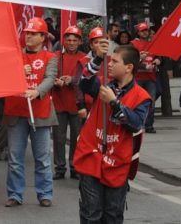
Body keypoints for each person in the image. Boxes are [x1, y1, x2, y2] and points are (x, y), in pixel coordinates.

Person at [74, 43, 152, 224]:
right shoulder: (102, 85)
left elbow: (135, 124)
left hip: (118, 161)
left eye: (115, 61)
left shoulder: (142, 96)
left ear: (129, 67)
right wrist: (98, 58)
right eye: (109, 60)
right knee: (91, 214)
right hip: (91, 155)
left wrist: (114, 103)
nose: (109, 64)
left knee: (113, 215)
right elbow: (84, 81)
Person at [4, 17, 58, 207]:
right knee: (15, 158)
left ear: (43, 37)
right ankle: (15, 194)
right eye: (27, 33)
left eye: (34, 34)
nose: (29, 36)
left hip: (40, 112)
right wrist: (17, 71)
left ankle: (45, 194)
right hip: (16, 111)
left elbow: (50, 78)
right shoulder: (14, 56)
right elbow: (3, 77)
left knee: (42, 158)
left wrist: (37, 91)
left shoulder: (50, 57)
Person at [52, 25, 87, 180]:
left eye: (74, 40)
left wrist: (72, 80)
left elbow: (87, 79)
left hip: (77, 105)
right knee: (58, 138)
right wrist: (56, 81)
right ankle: (60, 167)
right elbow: (48, 75)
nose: (71, 43)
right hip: (59, 103)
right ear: (64, 41)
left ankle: (75, 166)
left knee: (76, 138)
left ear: (79, 41)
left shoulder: (85, 58)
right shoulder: (56, 56)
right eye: (69, 40)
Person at [131, 22, 159, 133]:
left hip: (150, 78)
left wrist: (158, 61)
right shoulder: (133, 44)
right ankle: (136, 125)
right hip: (137, 78)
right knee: (136, 102)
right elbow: (131, 60)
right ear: (138, 32)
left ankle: (149, 125)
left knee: (151, 102)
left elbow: (159, 57)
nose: (145, 32)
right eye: (142, 31)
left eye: (146, 30)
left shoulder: (153, 43)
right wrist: (142, 63)